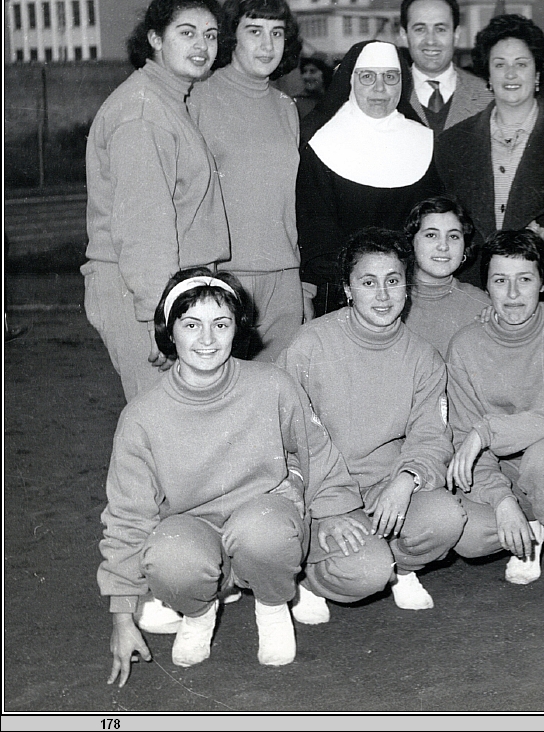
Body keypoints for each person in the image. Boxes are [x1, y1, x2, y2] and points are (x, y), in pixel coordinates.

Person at [99, 269, 370, 684]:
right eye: (191, 325)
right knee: (170, 556)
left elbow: (316, 450)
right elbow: (127, 517)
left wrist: (333, 510)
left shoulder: (272, 385)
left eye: (220, 324)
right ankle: (199, 610)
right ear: (169, 332)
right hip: (194, 523)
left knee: (263, 532)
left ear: (236, 329)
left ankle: (273, 603)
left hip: (265, 513)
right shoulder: (142, 416)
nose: (207, 339)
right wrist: (122, 615)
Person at [280, 228, 466, 622]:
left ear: (407, 287)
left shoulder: (422, 357)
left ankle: (401, 567)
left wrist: (407, 480)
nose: (382, 296)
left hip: (384, 489)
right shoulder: (310, 345)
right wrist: (328, 509)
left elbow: (432, 436)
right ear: (348, 289)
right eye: (368, 282)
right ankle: (311, 580)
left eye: (393, 281)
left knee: (447, 517)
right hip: (322, 492)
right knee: (364, 573)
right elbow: (284, 441)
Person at [445, 230, 544, 618]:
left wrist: (487, 432)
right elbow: (466, 435)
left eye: (525, 279)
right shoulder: (465, 345)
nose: (513, 294)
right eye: (500, 281)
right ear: (485, 286)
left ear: (543, 282)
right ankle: (538, 521)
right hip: (510, 467)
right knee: (470, 534)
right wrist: (502, 502)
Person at [83, 0, 230, 401]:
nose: (202, 45)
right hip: (144, 293)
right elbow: (144, 227)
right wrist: (158, 318)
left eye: (211, 34)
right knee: (166, 430)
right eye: (186, 32)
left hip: (169, 289)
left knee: (178, 431)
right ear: (154, 39)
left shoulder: (168, 100)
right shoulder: (144, 111)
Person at [436, 15, 544, 319]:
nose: (510, 74)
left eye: (521, 64)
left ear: (538, 71)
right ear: (487, 73)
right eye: (500, 64)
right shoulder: (451, 144)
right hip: (470, 301)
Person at [190, 0, 308, 360]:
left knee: (278, 395)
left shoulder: (286, 106)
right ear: (231, 37)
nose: (267, 44)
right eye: (254, 31)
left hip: (285, 278)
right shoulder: (199, 98)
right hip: (229, 276)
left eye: (277, 32)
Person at [297, 40, 441, 315]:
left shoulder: (425, 142)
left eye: (390, 77)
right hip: (339, 293)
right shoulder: (318, 143)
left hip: (412, 292)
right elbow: (316, 232)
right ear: (349, 81)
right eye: (367, 76)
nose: (379, 88)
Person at [398, 0, 493, 134]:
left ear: (456, 34)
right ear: (404, 35)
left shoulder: (487, 96)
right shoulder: (389, 94)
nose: (430, 40)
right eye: (420, 29)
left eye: (440, 29)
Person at [402, 196, 490, 358]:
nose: (443, 246)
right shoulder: (392, 298)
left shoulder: (481, 304)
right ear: (412, 242)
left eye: (453, 236)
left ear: (465, 247)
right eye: (431, 235)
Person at [294, 55, 332, 123]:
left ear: (325, 74)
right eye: (304, 71)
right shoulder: (297, 102)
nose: (306, 76)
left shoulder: (334, 99)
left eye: (313, 71)